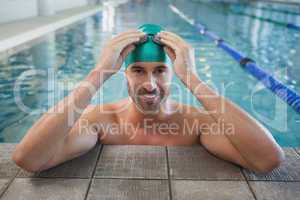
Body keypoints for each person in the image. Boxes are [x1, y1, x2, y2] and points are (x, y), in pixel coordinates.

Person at [12, 24, 284, 173]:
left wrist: (192, 78)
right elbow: (29, 159)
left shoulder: (196, 124)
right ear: (124, 74)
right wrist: (99, 72)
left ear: (173, 73)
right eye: (138, 71)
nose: (150, 85)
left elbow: (267, 160)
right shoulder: (102, 121)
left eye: (161, 71)